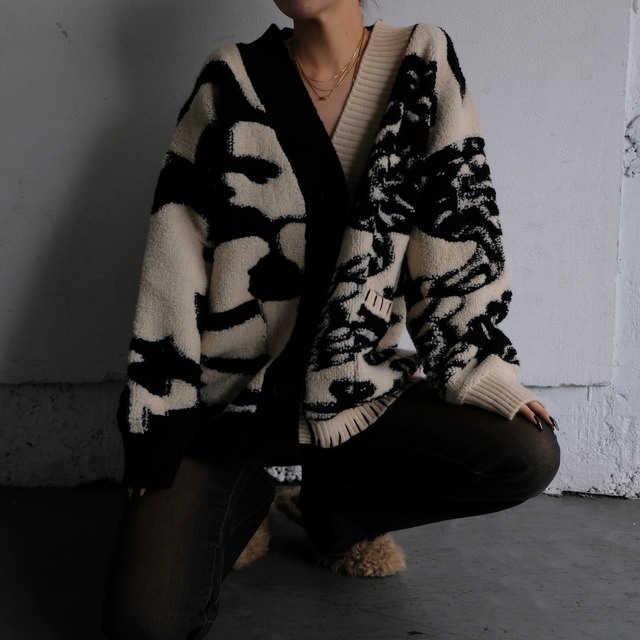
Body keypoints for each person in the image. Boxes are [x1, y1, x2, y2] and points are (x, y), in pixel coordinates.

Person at [103, 1, 561, 638]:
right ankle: (248, 500)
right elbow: (172, 268)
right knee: (143, 623)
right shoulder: (229, 80)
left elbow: (457, 235)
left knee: (526, 455)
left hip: (357, 395)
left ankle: (336, 510)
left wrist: (480, 369)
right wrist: (156, 427)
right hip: (231, 409)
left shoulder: (422, 62)